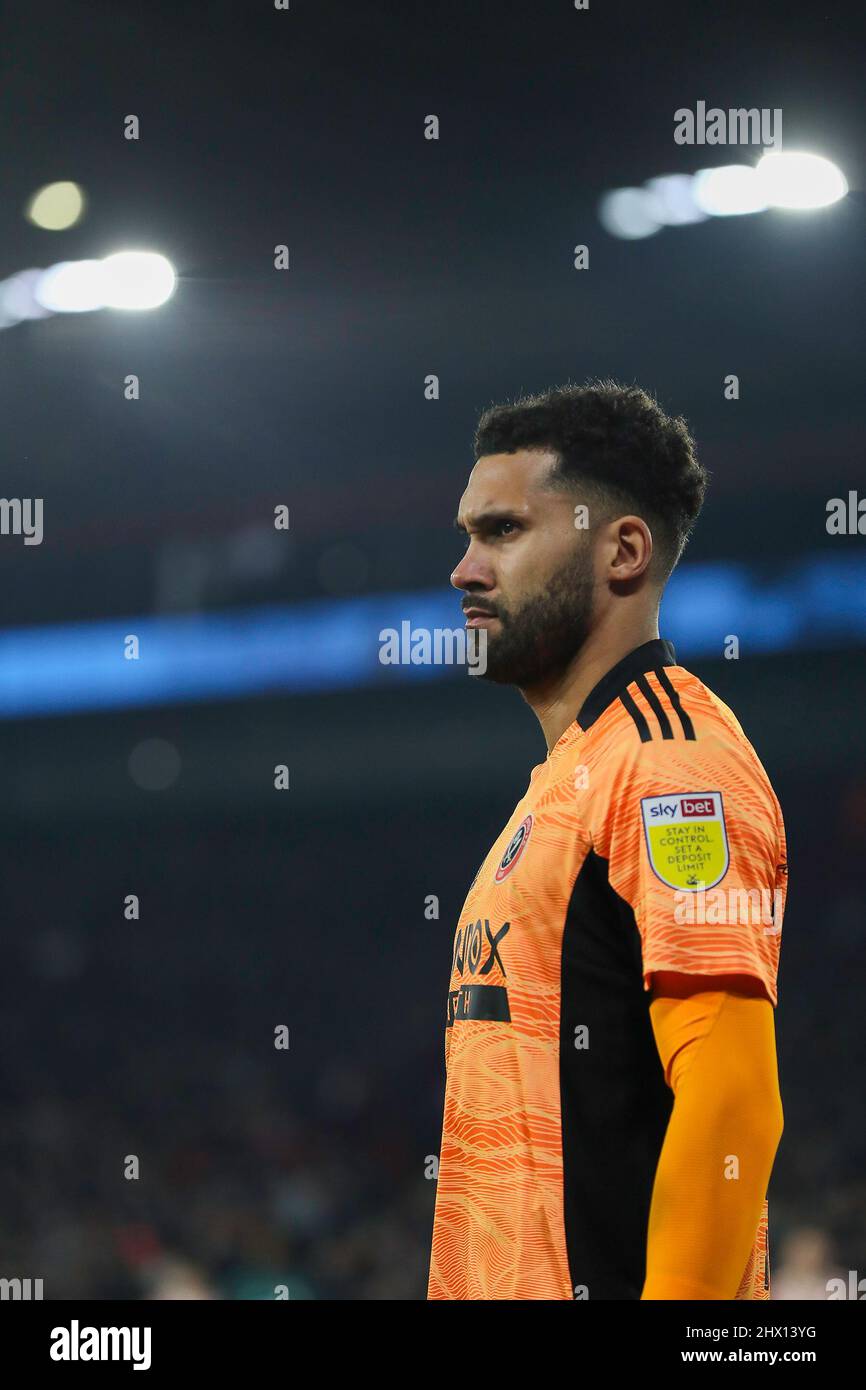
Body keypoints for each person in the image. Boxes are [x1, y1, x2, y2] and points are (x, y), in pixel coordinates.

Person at [428, 380, 787, 1300]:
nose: (464, 570)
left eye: (501, 531)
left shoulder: (672, 763)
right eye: (468, 536)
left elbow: (733, 1099)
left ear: (622, 549)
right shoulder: (568, 777)